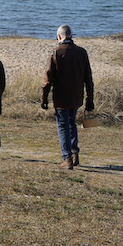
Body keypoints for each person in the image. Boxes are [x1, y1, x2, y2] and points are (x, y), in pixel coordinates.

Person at [41, 24, 95, 169]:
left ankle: (67, 158)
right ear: (71, 36)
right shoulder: (82, 52)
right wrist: (90, 99)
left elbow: (47, 79)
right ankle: (74, 153)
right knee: (72, 124)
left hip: (61, 97)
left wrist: (44, 99)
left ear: (59, 37)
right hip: (77, 96)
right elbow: (88, 79)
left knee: (63, 125)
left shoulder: (56, 52)